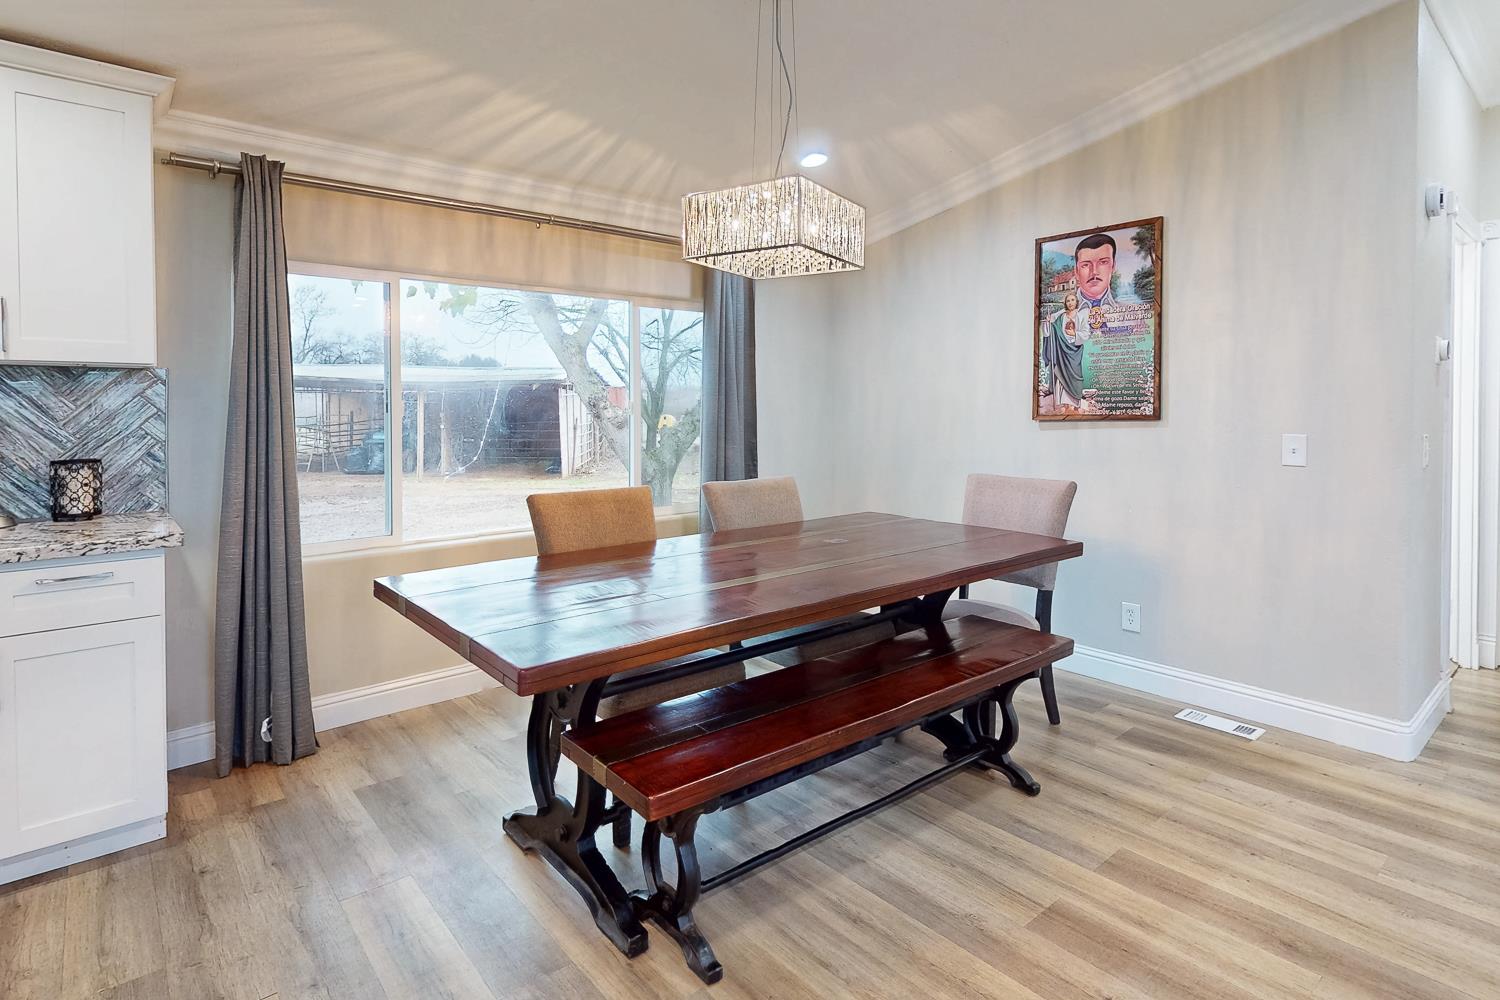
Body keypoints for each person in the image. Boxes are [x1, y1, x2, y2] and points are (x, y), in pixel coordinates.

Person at [1040, 291, 1086, 410]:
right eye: (1068, 301)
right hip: (1061, 351)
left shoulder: (1081, 316)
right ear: (1065, 303)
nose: (1070, 303)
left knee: (1075, 376)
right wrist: (1048, 322)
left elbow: (1086, 334)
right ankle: (1065, 404)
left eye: (1072, 300)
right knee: (1061, 376)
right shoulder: (1061, 316)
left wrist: (1075, 333)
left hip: (1074, 351)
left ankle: (1074, 403)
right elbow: (1050, 329)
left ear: (1076, 302)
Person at [1073, 232, 1116, 308]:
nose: (1094, 272)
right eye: (1086, 265)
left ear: (1113, 266)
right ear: (1076, 271)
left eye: (1103, 262)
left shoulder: (1134, 315)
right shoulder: (1058, 318)